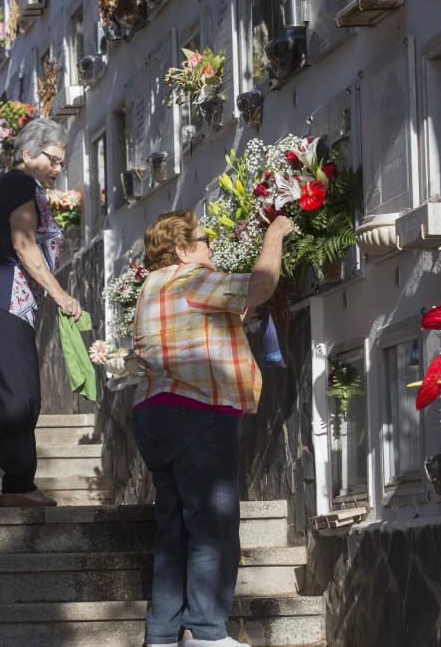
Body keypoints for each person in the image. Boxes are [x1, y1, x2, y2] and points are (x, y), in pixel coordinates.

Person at [130, 210, 294, 647]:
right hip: (198, 410)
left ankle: (163, 635)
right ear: (182, 250)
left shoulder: (151, 288)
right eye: (206, 241)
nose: (213, 249)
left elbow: (213, 320)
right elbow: (260, 285)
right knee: (213, 524)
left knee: (174, 531)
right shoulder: (190, 278)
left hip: (153, 412)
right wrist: (276, 231)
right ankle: (204, 632)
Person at [0, 118, 82, 508]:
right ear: (27, 154)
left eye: (61, 162)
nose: (58, 169)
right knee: (19, 396)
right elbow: (24, 245)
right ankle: (20, 486)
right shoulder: (22, 183)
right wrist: (60, 294)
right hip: (0, 295)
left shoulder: (2, 187)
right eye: (53, 160)